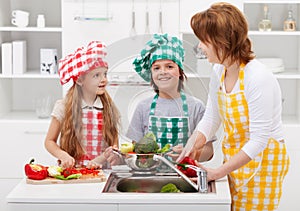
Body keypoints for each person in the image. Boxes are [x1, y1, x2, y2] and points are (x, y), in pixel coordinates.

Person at [178, 2, 290, 211]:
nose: (200, 46)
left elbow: (259, 140)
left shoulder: (257, 77)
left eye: (204, 40)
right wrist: (192, 144)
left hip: (263, 165)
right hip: (236, 161)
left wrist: (218, 172)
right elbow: (211, 117)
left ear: (222, 41)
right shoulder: (219, 70)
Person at [126, 33, 214, 161]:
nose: (163, 72)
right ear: (151, 74)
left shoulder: (196, 106)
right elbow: (135, 151)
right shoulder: (142, 107)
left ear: (180, 71)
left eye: (169, 66)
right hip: (151, 177)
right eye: (156, 68)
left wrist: (189, 154)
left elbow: (209, 151)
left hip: (184, 176)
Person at [45, 41, 122, 169]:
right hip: (72, 173)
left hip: (102, 173)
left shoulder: (109, 108)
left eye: (105, 74)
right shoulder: (64, 106)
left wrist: (101, 159)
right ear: (80, 80)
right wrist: (63, 156)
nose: (104, 79)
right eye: (96, 75)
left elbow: (114, 147)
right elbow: (49, 141)